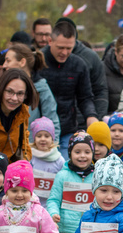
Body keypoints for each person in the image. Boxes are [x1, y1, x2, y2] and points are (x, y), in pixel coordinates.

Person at [41, 21, 98, 156]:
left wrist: (91, 115)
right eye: (60, 47)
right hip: (41, 131)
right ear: (50, 41)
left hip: (67, 129)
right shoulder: (38, 61)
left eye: (69, 48)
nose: (64, 52)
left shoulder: (79, 64)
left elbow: (85, 97)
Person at [2, 43, 61, 140]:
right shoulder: (2, 86)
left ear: (22, 62)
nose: (4, 65)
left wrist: (51, 151)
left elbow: (52, 123)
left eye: (8, 61)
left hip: (33, 150)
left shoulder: (41, 89)